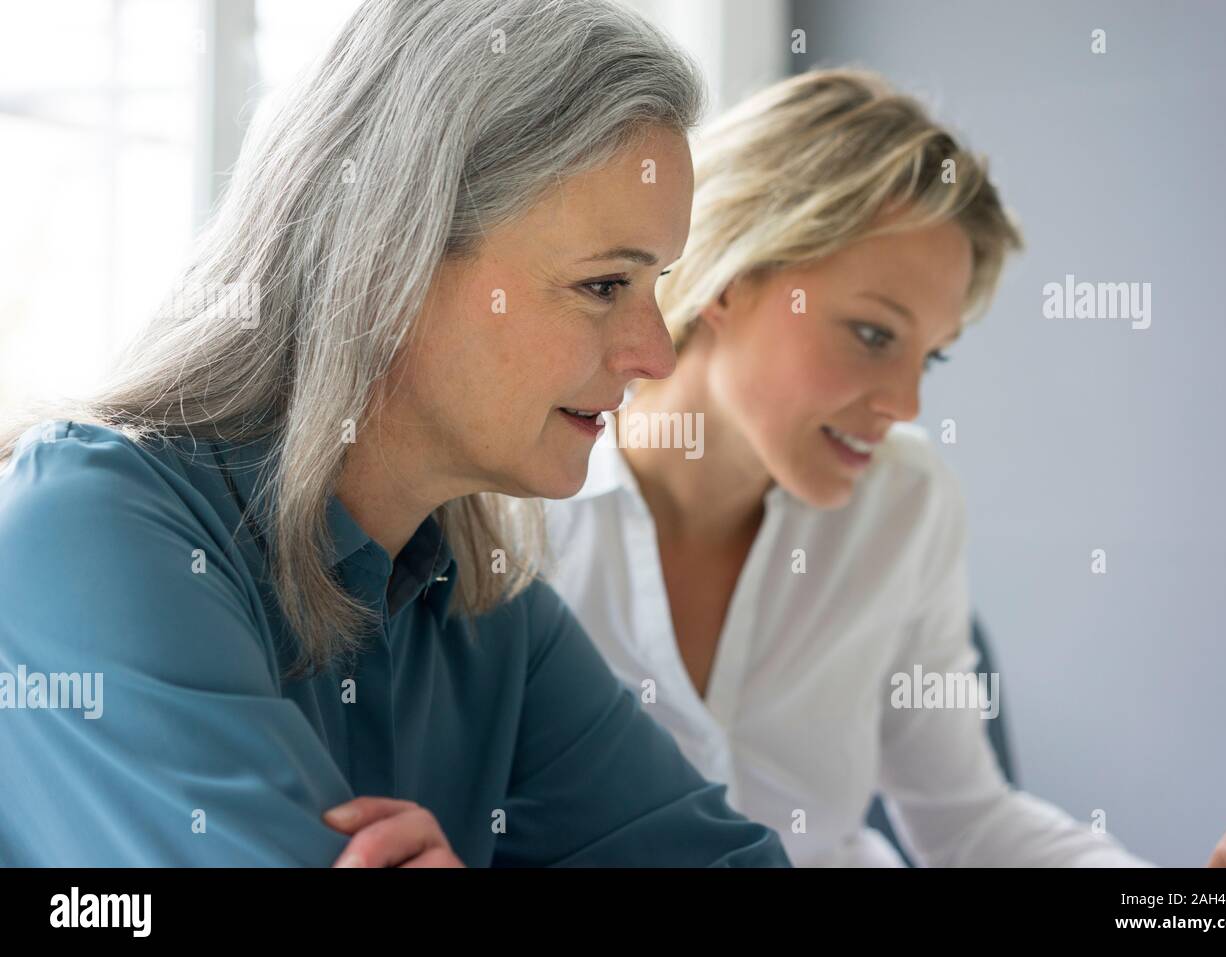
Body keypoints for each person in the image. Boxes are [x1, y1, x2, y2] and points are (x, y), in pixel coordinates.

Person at [0, 0, 790, 868]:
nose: (657, 354)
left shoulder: (490, 614)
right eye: (605, 285)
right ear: (390, 258)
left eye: (657, 286)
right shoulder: (87, 533)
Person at [541, 69, 1226, 868]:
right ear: (730, 276)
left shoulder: (904, 500)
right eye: (873, 334)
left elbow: (968, 822)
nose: (905, 404)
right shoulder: (519, 512)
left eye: (930, 357)